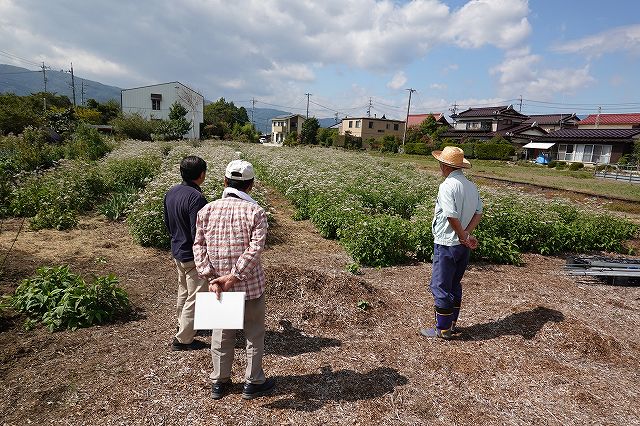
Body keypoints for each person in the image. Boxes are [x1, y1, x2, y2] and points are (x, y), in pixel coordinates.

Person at [193, 159, 275, 400]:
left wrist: (211, 276)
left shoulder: (206, 210)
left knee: (222, 333)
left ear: (225, 181)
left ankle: (219, 381)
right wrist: (235, 276)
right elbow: (255, 249)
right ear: (250, 185)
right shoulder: (256, 212)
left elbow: (198, 245)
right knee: (254, 334)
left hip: (219, 286)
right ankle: (253, 381)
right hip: (250, 285)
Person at [421, 146, 482, 340]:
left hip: (447, 242)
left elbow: (450, 215)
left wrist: (463, 235)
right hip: (462, 246)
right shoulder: (471, 186)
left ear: (444, 165)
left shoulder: (447, 186)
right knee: (455, 283)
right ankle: (452, 323)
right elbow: (478, 212)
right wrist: (467, 234)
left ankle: (443, 329)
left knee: (440, 286)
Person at [163, 156, 209, 351]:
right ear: (201, 175)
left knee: (184, 290)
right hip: (192, 255)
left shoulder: (171, 192)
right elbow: (197, 232)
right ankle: (184, 339)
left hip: (177, 250)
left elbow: (167, 223)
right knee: (196, 296)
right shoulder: (196, 198)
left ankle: (182, 323)